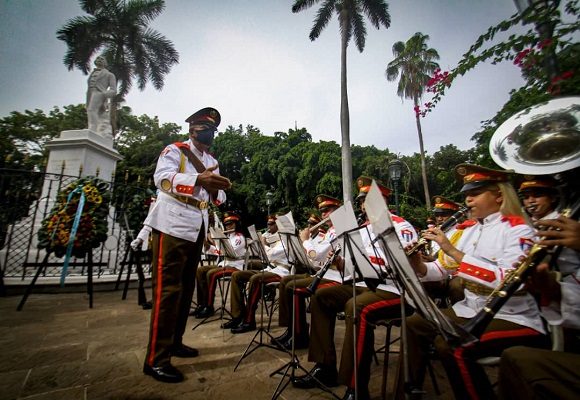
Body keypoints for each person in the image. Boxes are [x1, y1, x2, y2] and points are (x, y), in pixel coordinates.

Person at [395, 164, 548, 400]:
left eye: (475, 194)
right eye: (466, 195)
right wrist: (416, 263)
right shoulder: (470, 231)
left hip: (511, 316)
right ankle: (410, 390)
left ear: (498, 195)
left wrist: (453, 252)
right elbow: (440, 270)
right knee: (415, 323)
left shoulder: (519, 230)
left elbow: (511, 280)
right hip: (471, 310)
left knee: (452, 347)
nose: (468, 201)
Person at [293, 176, 418, 400]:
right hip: (362, 284)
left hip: (394, 289)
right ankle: (325, 367)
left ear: (383, 202)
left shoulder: (401, 226)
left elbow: (400, 265)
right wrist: (342, 263)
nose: (363, 206)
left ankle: (356, 387)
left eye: (368, 201)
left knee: (356, 307)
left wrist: (361, 261)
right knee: (321, 297)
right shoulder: (360, 230)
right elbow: (354, 266)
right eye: (362, 202)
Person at [142, 107, 231, 383]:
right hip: (171, 222)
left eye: (212, 129)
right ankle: (156, 359)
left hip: (196, 226)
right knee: (167, 291)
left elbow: (220, 200)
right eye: (204, 127)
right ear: (192, 129)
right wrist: (196, 179)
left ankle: (175, 342)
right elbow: (162, 179)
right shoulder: (175, 151)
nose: (208, 132)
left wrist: (217, 186)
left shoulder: (212, 160)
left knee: (184, 290)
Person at [498, 174, 580, 400]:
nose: (530, 201)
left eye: (538, 195)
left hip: (565, 297)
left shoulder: (566, 220)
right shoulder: (527, 224)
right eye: (525, 196)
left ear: (554, 198)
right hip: (553, 296)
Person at [271, 195, 343, 350]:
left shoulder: (338, 229)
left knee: (292, 287)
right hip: (321, 272)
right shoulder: (331, 230)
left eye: (327, 210)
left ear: (338, 211)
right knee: (286, 282)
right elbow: (311, 259)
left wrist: (304, 240)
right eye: (322, 211)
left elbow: (315, 255)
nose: (323, 214)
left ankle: (299, 334)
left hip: (335, 276)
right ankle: (291, 329)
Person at [225, 214, 293, 333]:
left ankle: (249, 320)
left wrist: (263, 244)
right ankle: (237, 315)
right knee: (237, 276)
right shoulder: (277, 238)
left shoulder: (287, 239)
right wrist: (260, 243)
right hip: (271, 268)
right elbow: (263, 257)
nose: (269, 226)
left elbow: (270, 255)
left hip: (282, 271)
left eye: (272, 224)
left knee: (256, 279)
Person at [192, 211, 246, 319]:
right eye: (226, 224)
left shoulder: (239, 237)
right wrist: (207, 245)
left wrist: (216, 244)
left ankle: (209, 306)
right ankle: (201, 304)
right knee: (200, 270)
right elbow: (218, 251)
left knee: (211, 274)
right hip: (224, 263)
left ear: (236, 224)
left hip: (235, 265)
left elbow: (230, 253)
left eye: (231, 224)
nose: (228, 226)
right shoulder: (228, 236)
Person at [86, 55, 117, 137]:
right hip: (90, 93)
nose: (99, 60)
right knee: (99, 113)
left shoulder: (110, 75)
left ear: (105, 63)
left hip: (100, 93)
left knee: (91, 110)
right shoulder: (93, 73)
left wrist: (104, 94)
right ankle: (103, 131)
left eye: (102, 59)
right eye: (98, 58)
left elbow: (114, 90)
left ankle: (93, 128)